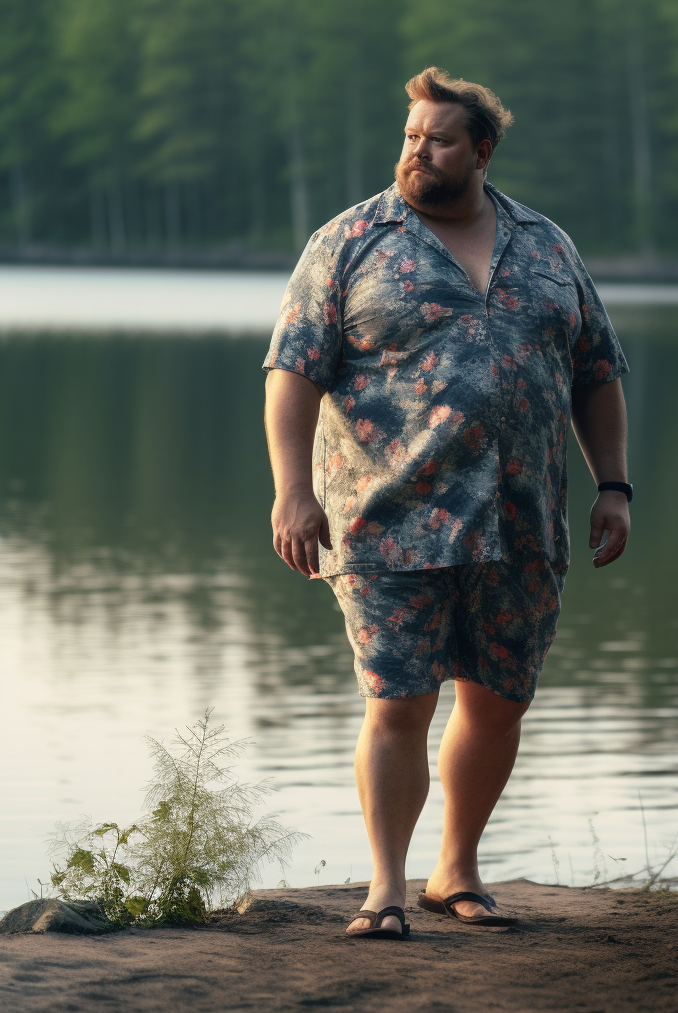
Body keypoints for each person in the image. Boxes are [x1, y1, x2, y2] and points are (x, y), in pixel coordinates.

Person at [263, 67, 631, 939]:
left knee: (498, 699)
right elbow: (291, 377)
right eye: (408, 136)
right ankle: (386, 886)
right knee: (397, 701)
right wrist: (291, 493)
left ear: (482, 150)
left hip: (522, 520)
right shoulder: (350, 242)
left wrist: (613, 484)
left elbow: (598, 372)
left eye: (437, 139)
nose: (416, 152)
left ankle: (455, 870)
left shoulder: (548, 246)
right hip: (385, 518)